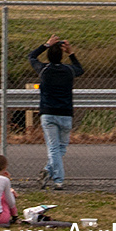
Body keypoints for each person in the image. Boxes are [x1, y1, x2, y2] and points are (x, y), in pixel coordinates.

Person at [28, 34, 84, 190]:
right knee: (61, 147)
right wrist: (71, 53)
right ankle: (51, 172)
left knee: (54, 148)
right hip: (66, 113)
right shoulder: (68, 70)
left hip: (48, 112)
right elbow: (80, 69)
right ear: (61, 55)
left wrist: (46, 44)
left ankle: (56, 177)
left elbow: (31, 56)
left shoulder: (44, 69)